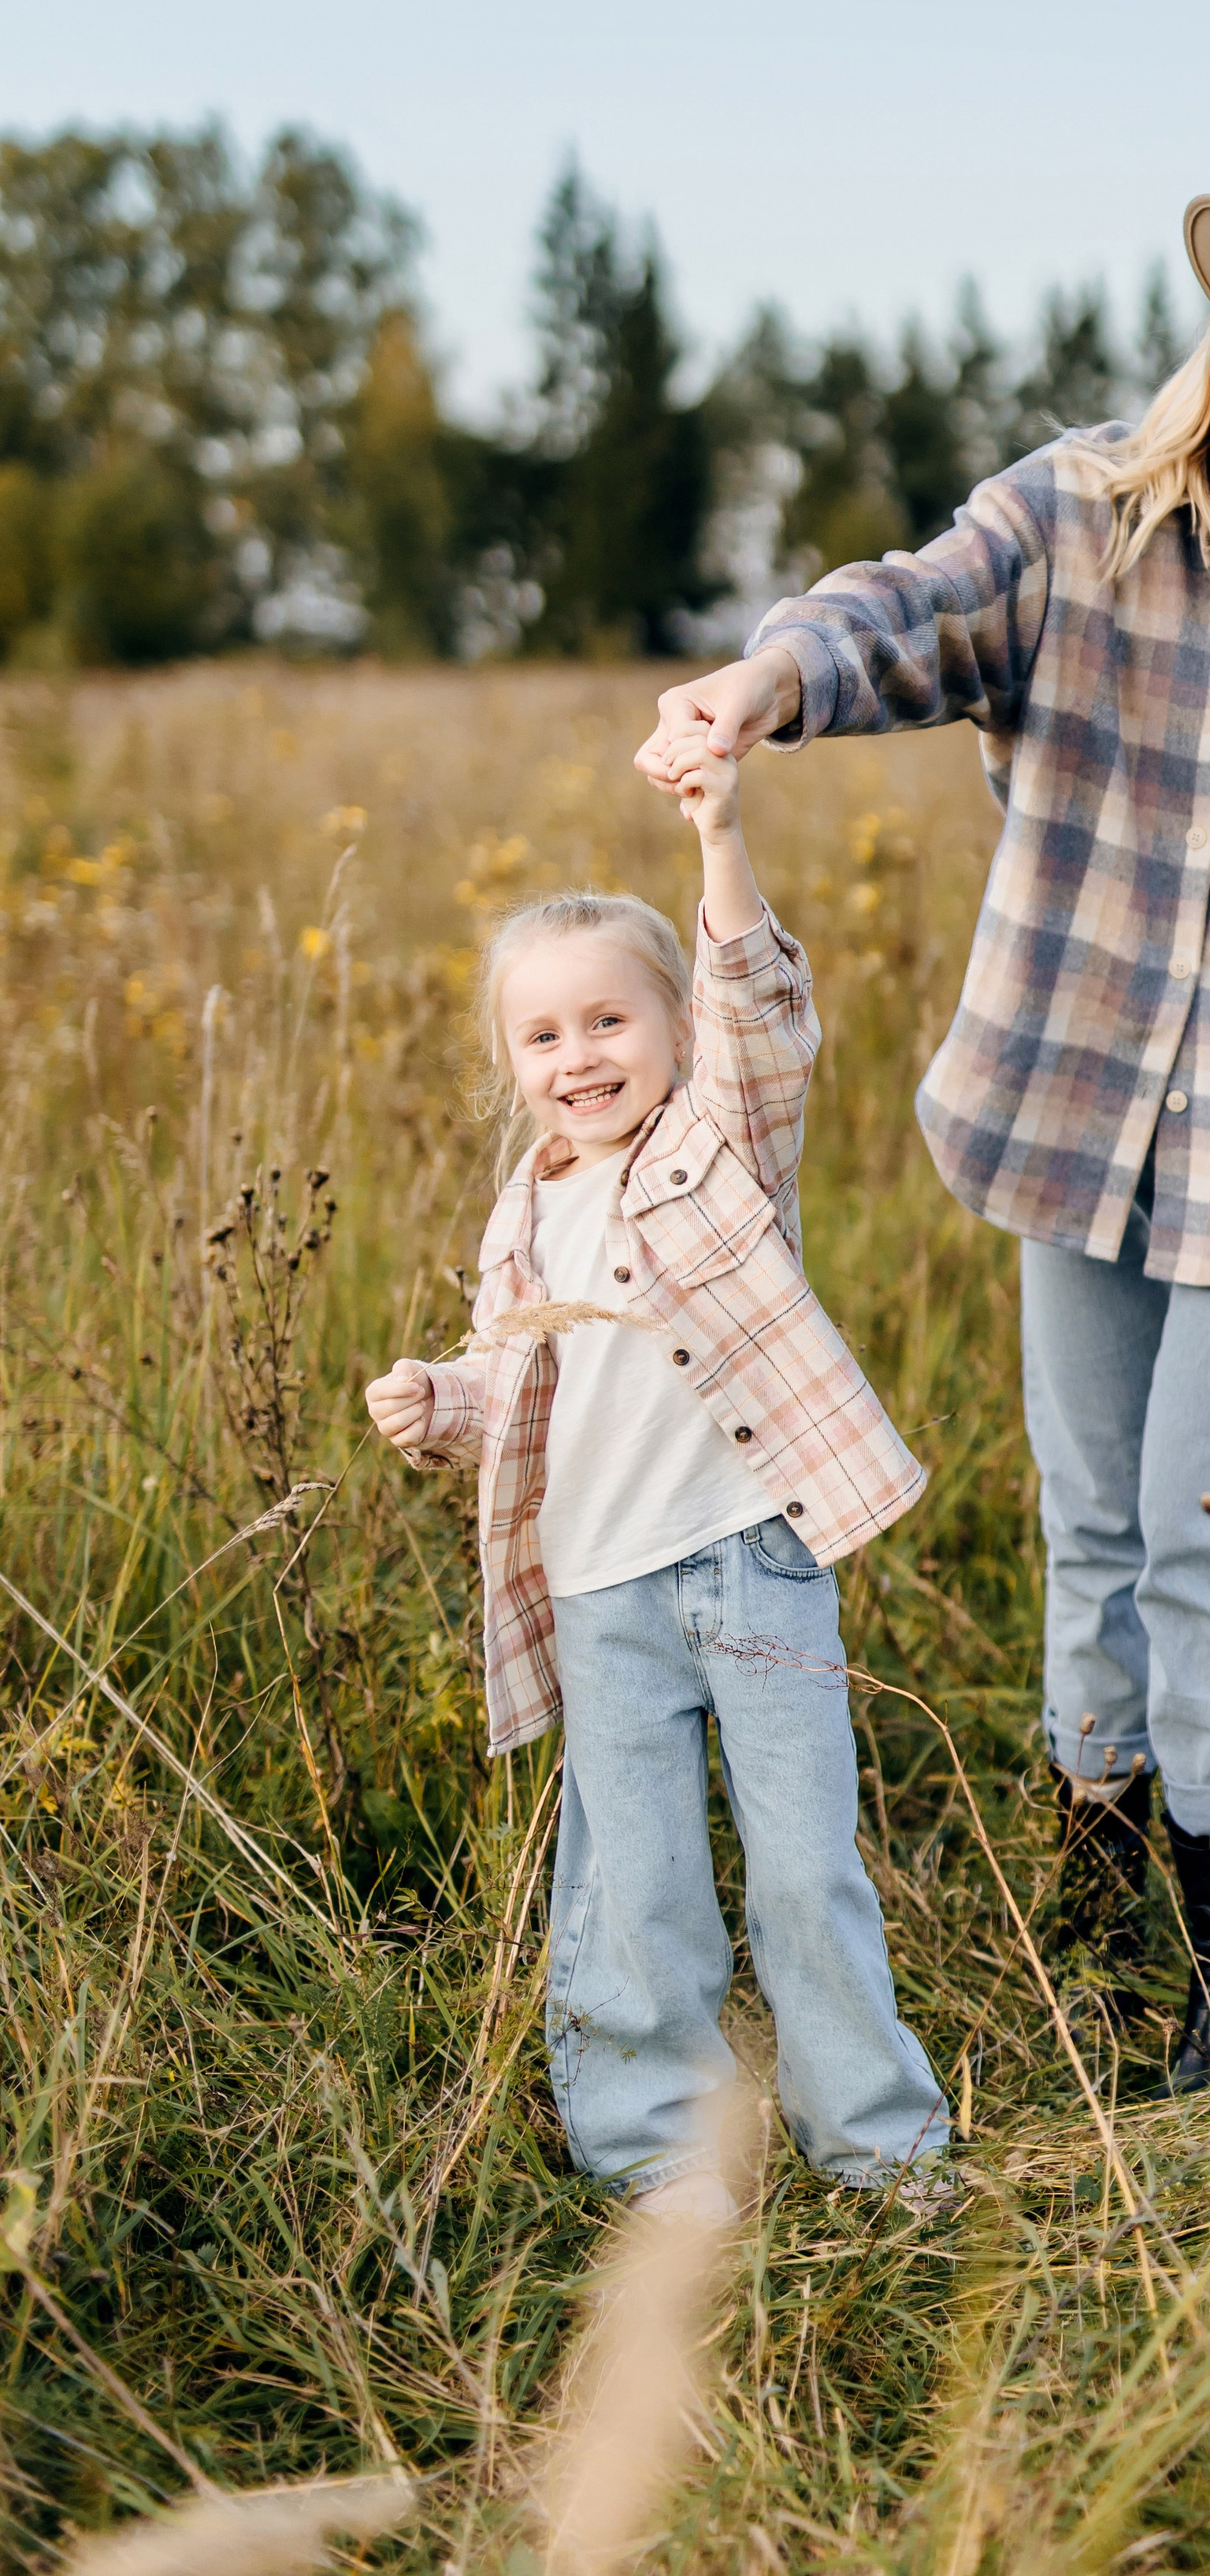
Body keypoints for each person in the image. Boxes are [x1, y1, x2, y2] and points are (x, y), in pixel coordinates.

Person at [637, 169, 1210, 2090]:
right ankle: (1095, 1862)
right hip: (1070, 1103)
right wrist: (765, 679)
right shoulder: (1079, 515)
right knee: (1087, 1515)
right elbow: (912, 610)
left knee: (1206, 1527)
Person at [365, 729, 948, 2208]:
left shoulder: (720, 1144)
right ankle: (661, 2158)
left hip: (749, 1557)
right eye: (545, 1038)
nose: (582, 1060)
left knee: (807, 1868)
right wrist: (440, 1394)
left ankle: (879, 2147)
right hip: (602, 1596)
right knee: (638, 1889)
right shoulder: (523, 1222)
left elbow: (765, 1007)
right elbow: (517, 1373)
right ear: (512, 1065)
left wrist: (717, 837)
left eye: (611, 1022)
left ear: (674, 1030)